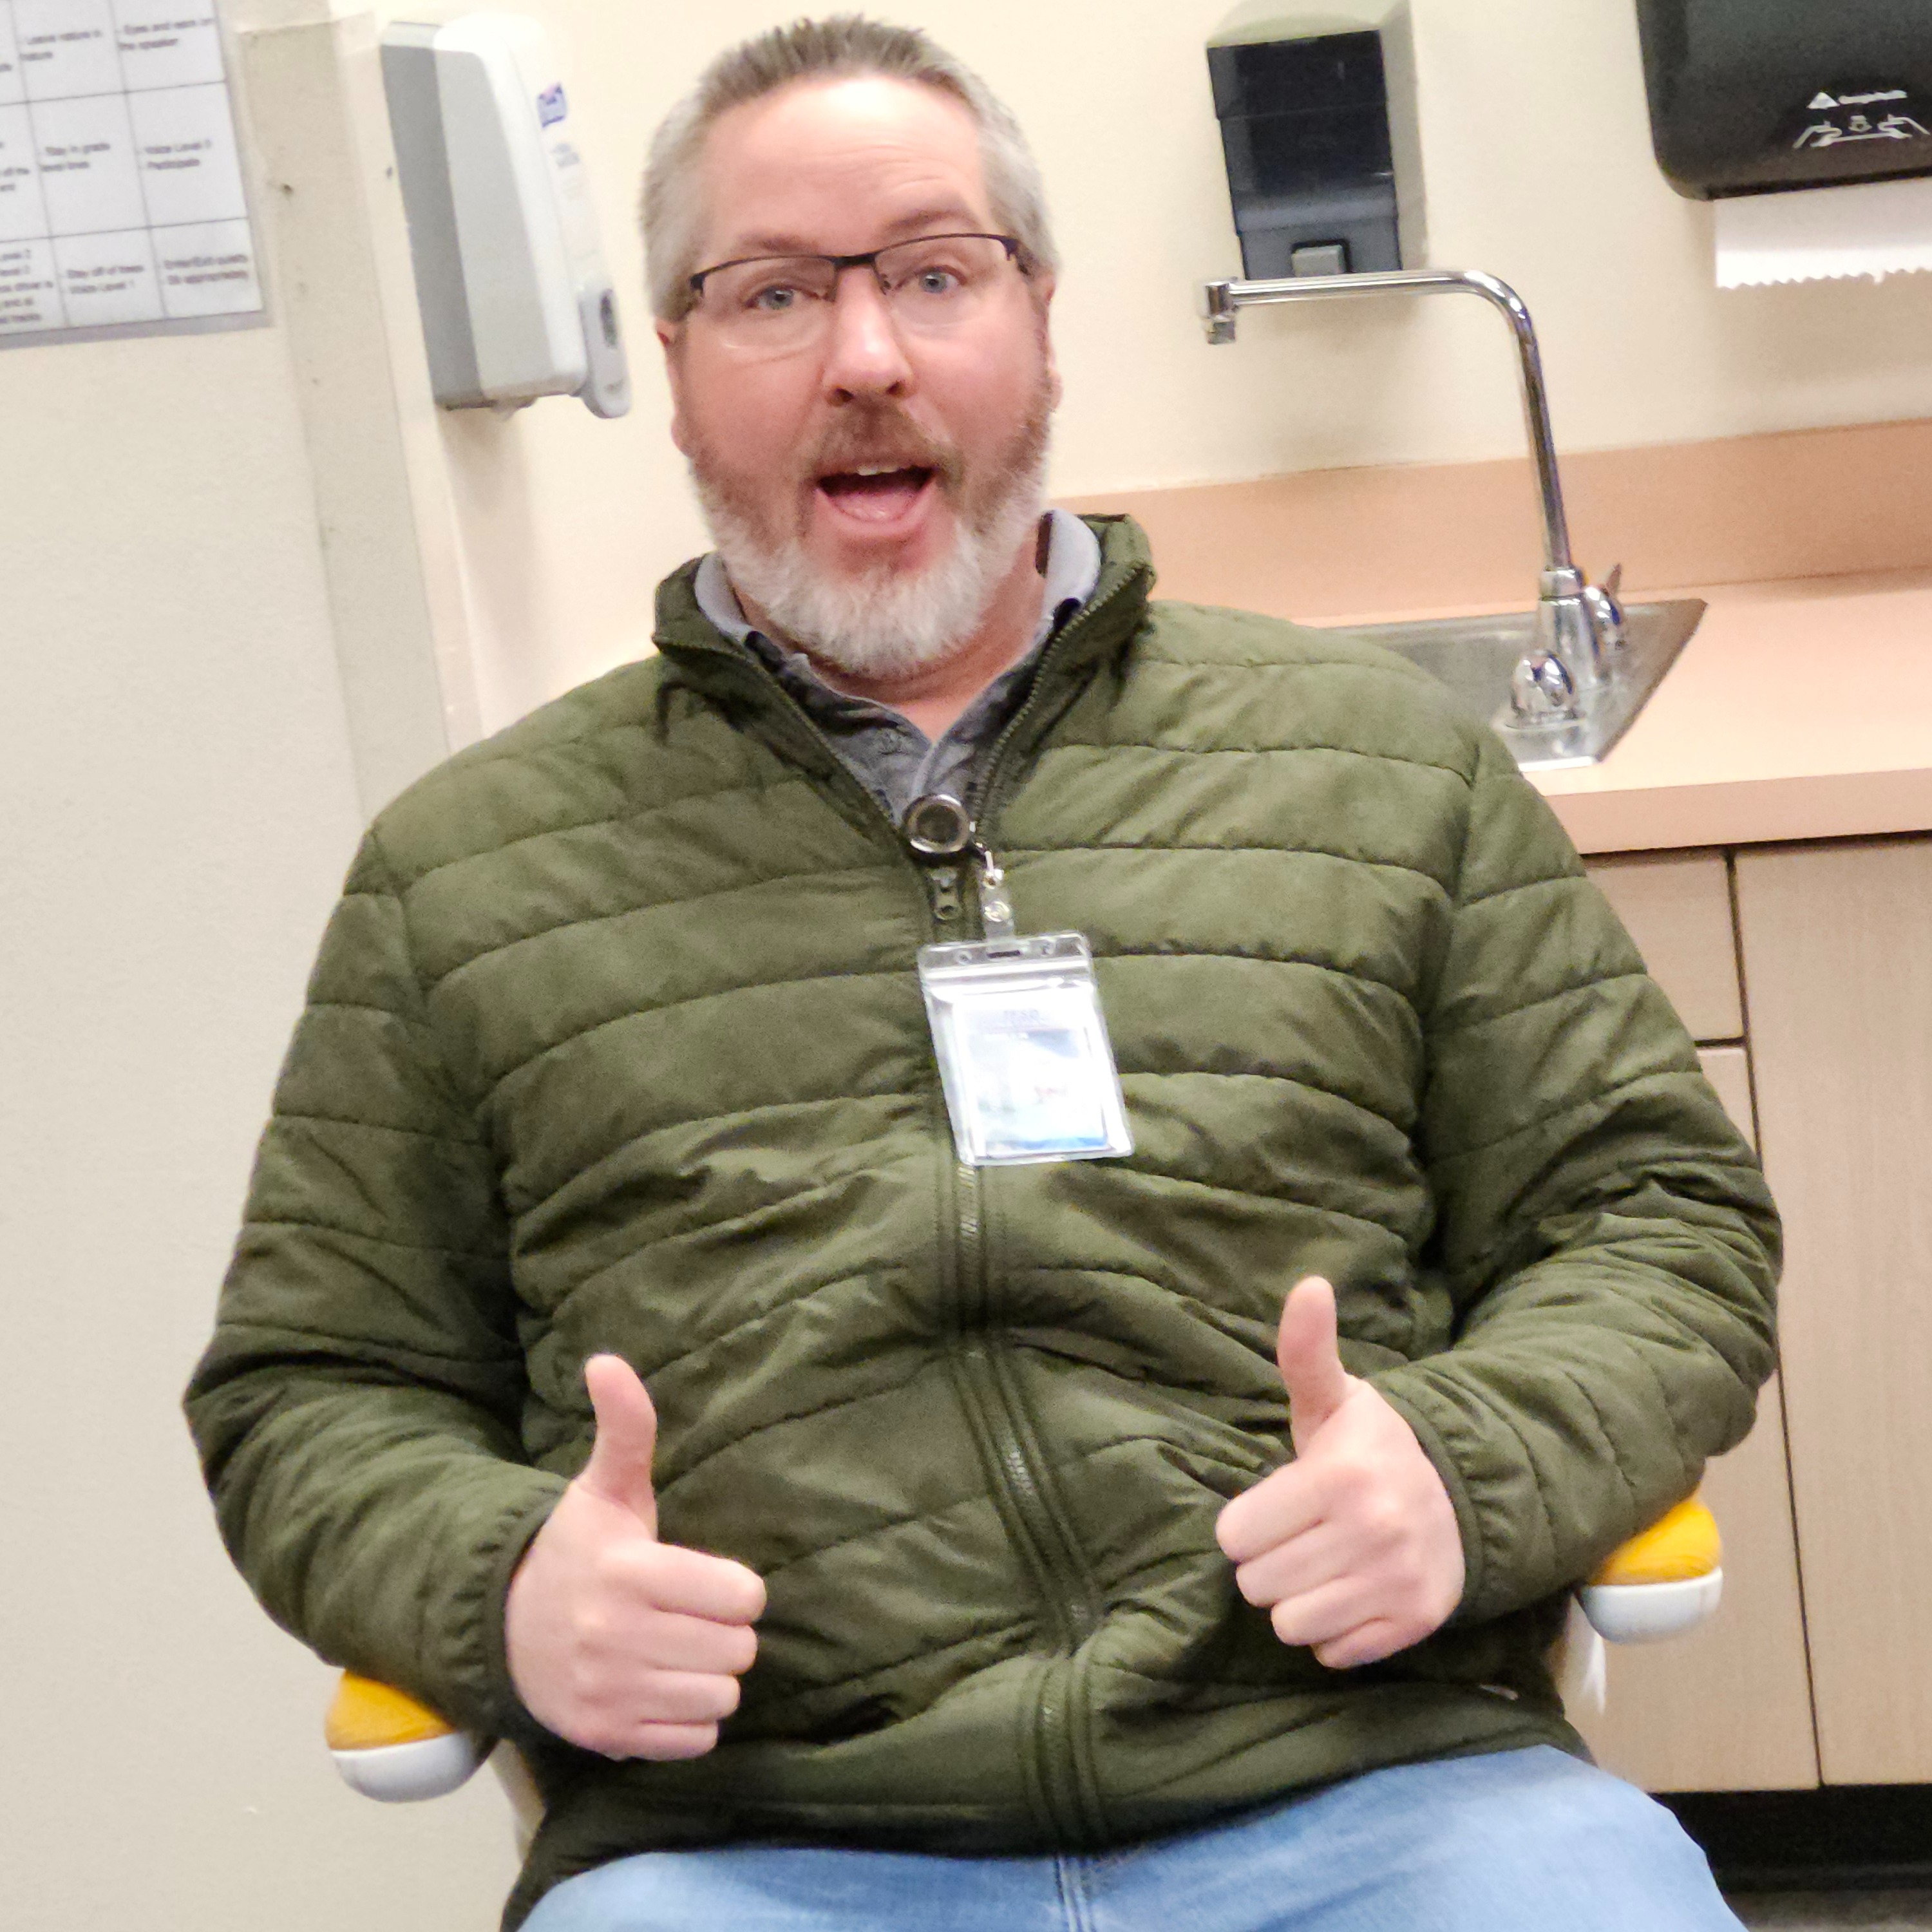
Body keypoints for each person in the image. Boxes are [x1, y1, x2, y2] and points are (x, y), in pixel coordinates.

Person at [186, 18, 1778, 1932]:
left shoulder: (1377, 769)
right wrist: (501, 1585)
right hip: (749, 1846)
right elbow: (312, 1387)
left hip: (1373, 1784)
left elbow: (1658, 1216)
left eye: (935, 275)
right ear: (677, 368)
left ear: (1037, 319)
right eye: (775, 292)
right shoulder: (467, 875)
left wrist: (1461, 1465)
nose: (867, 357)